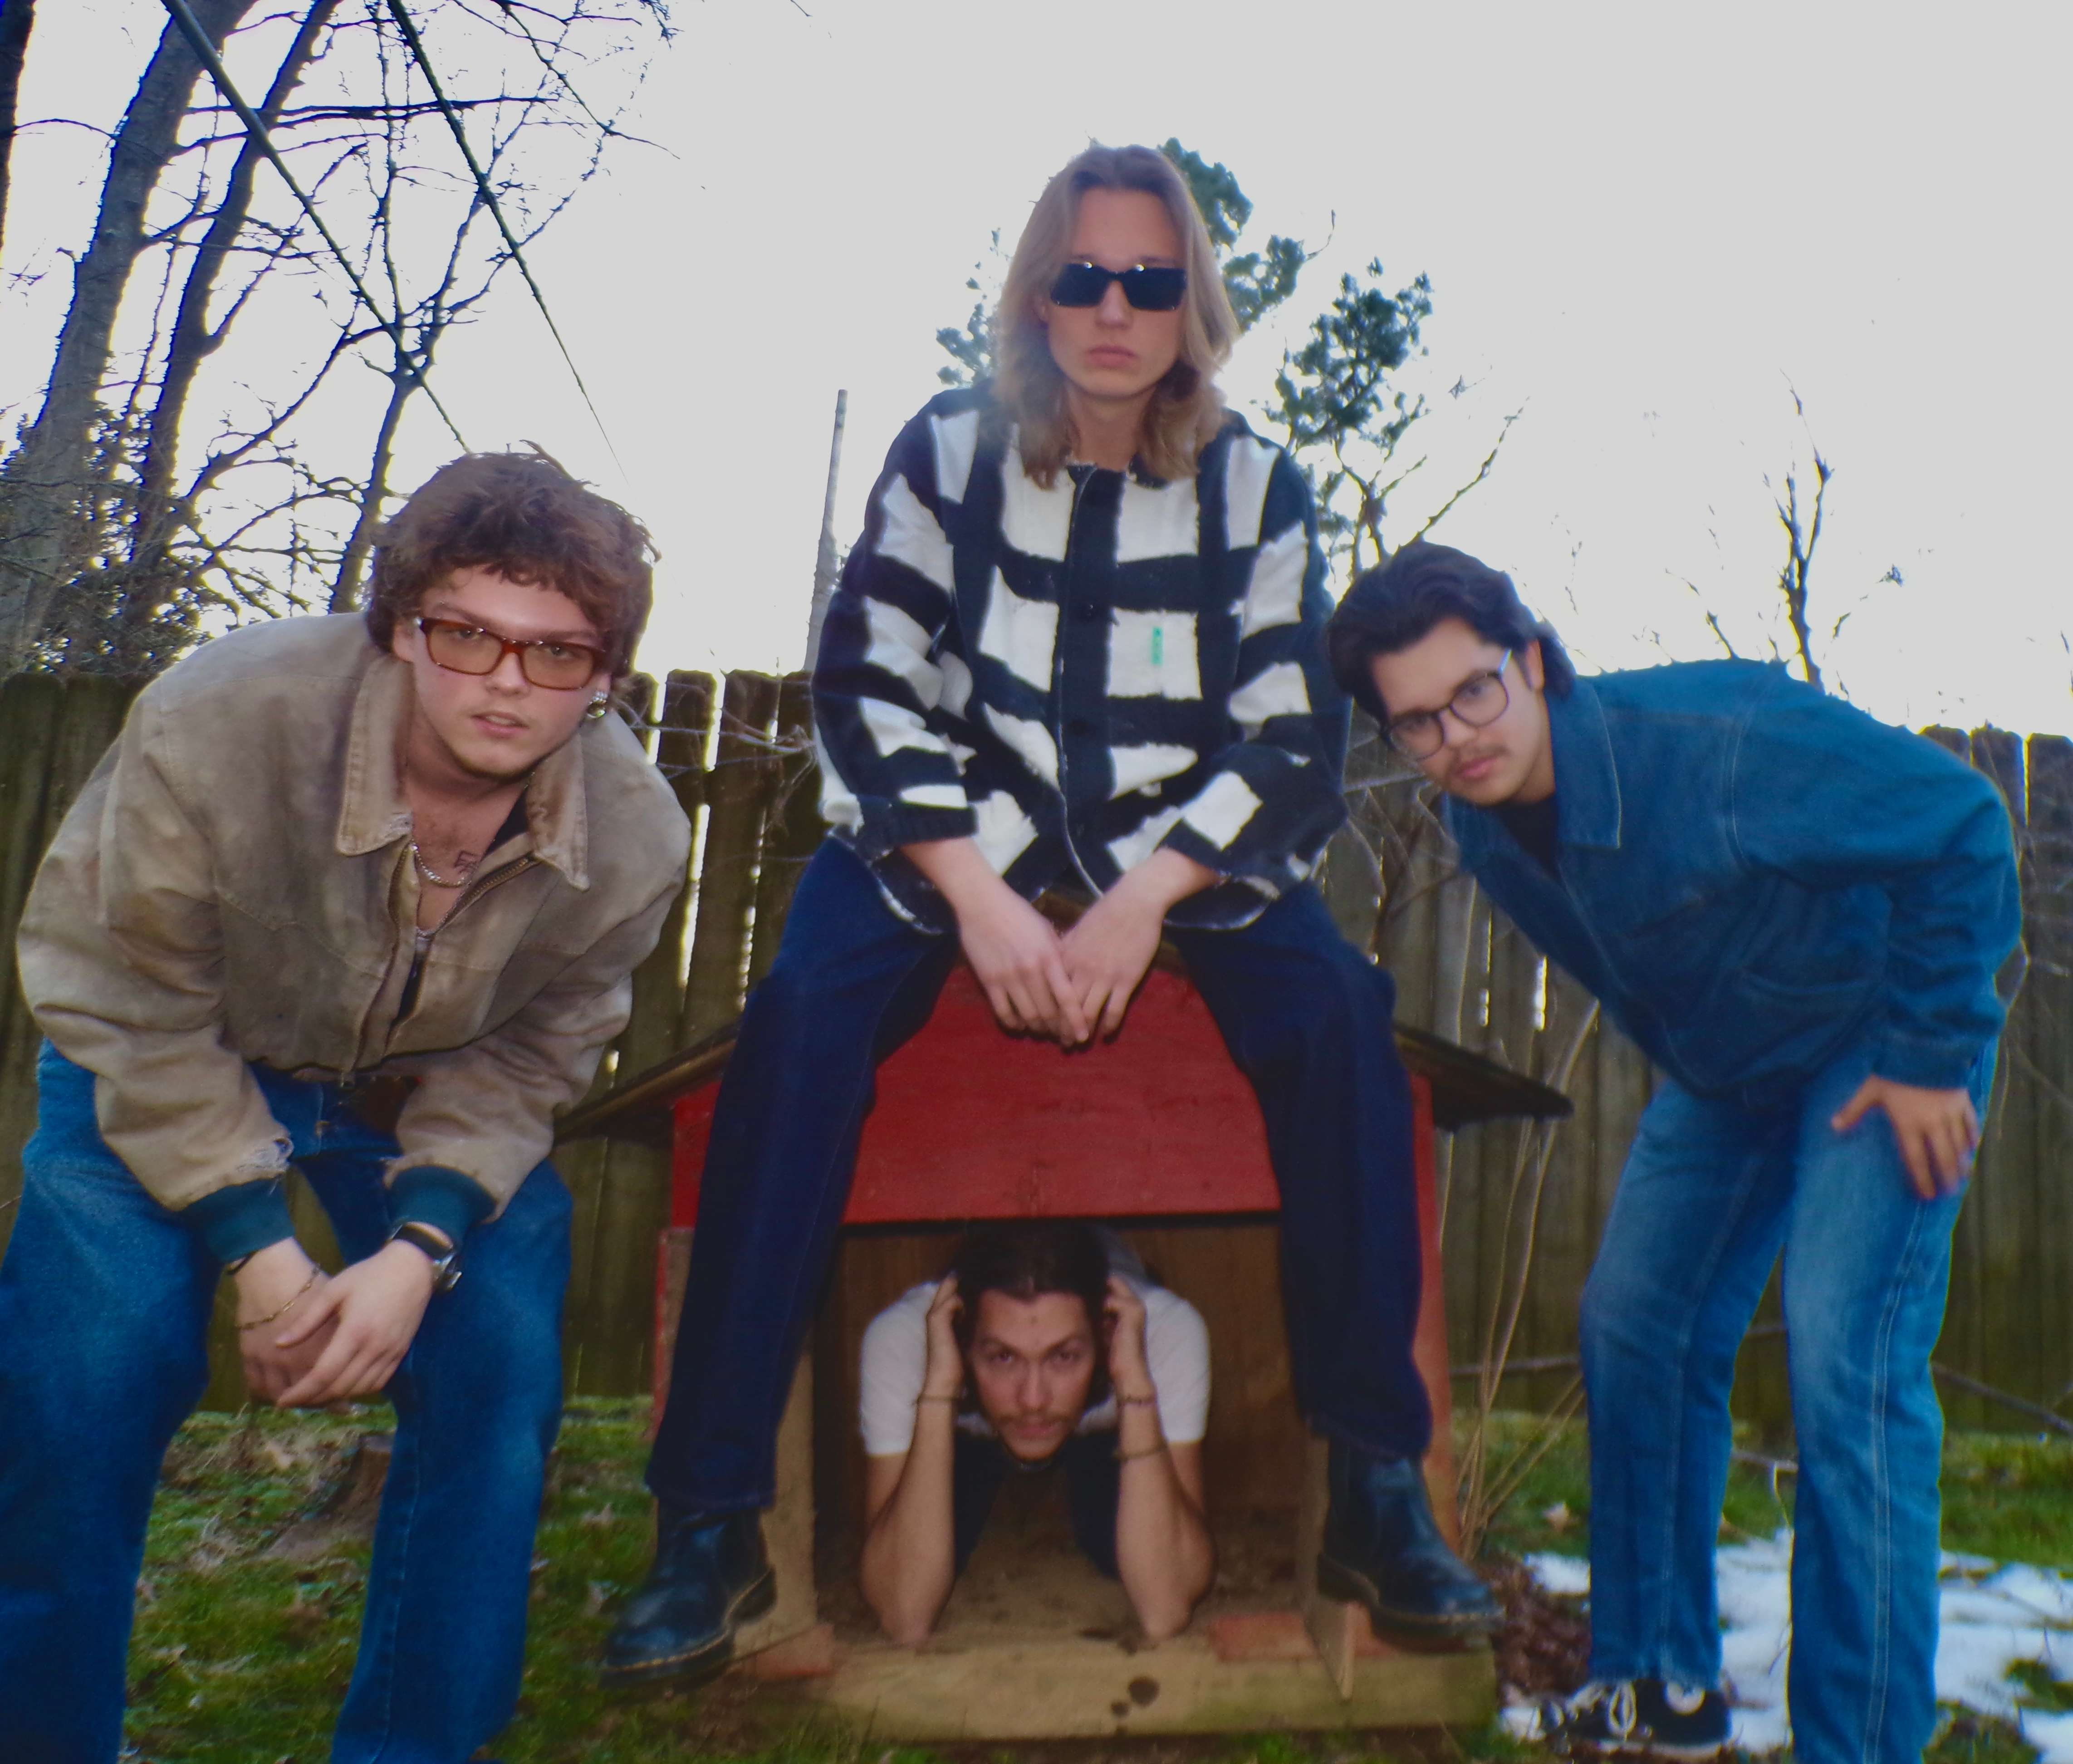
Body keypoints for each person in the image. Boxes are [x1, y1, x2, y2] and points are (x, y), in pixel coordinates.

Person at [603, 142, 1496, 1688]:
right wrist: (977, 897)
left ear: (1190, 306)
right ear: (1033, 290)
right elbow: (866, 677)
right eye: (1081, 274)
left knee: (1342, 1019)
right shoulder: (947, 450)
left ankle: (1367, 1483)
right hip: (946, 841)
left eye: (1150, 280)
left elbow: (1287, 736)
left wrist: (1148, 896)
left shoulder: (1252, 484)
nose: (1112, 307)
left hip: (1183, 858)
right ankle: (710, 1519)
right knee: (797, 1026)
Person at [0, 451, 691, 1764]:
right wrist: (260, 1254)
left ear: (604, 676)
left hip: (423, 1103)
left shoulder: (641, 836)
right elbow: (123, 994)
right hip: (171, 1059)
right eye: (468, 634)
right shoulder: (226, 717)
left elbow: (538, 1058)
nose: (504, 681)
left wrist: (419, 1255)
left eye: (556, 654)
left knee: (498, 1374)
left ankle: (412, 1747)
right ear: (398, 628)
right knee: (84, 1375)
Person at [1326, 540, 2021, 1762]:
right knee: (1631, 1324)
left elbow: (1962, 826)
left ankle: (1857, 1746)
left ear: (1534, 660)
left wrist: (1927, 1050)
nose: (1456, 739)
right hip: (1729, 1075)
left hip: (1879, 1043)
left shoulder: (1722, 738)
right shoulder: (1485, 836)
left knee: (1842, 1369)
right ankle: (1657, 1681)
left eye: (1474, 691)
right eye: (1417, 724)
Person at [858, 1222, 1213, 1643]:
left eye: (1064, 1356)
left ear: (1103, 1338)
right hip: (969, 1431)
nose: (1032, 1399)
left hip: (1104, 1428)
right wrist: (938, 1389)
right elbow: (904, 1614)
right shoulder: (907, 1339)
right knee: (940, 1548)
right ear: (962, 1340)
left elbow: (1164, 1609)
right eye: (1003, 1357)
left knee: (1113, 1541)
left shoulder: (1160, 1332)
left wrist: (1134, 1384)